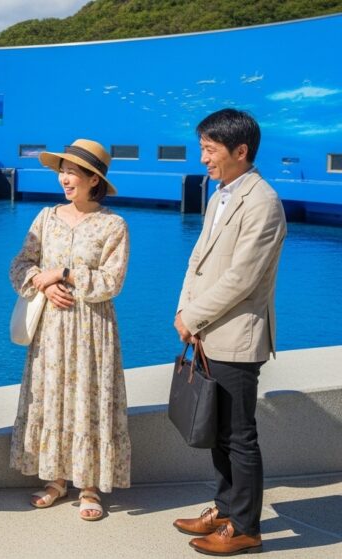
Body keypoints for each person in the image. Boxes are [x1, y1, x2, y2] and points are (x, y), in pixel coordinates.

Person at [172, 109, 286, 556]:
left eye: (210, 149)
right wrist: (184, 310)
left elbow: (243, 279)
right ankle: (224, 509)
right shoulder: (220, 195)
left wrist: (193, 317)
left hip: (237, 337)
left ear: (241, 151)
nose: (203, 158)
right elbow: (197, 259)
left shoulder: (263, 203)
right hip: (207, 331)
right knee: (218, 430)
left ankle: (245, 527)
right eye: (202, 148)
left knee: (239, 436)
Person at [8, 139, 131, 521]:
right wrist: (42, 283)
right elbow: (19, 266)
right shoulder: (46, 218)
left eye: (72, 172)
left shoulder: (113, 225)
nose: (64, 178)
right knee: (51, 397)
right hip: (51, 329)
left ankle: (89, 486)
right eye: (62, 171)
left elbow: (112, 281)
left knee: (89, 400)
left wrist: (63, 273)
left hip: (92, 331)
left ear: (94, 179)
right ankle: (56, 479)